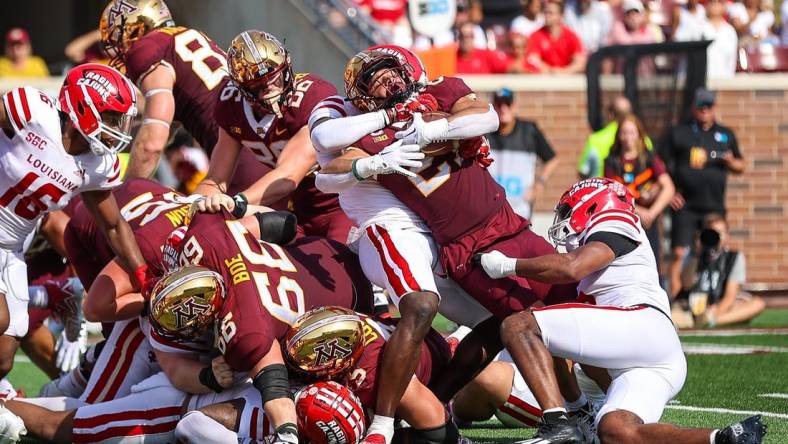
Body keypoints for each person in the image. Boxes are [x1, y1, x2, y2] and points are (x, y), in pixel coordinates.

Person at [314, 48, 578, 444]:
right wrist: (375, 162)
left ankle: (583, 406)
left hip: (507, 221)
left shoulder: (440, 91)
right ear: (363, 97)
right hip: (463, 247)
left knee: (573, 303)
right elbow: (327, 171)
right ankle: (559, 420)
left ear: (407, 69)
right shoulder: (369, 133)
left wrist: (434, 129)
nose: (386, 83)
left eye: (389, 73)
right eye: (374, 82)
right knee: (517, 321)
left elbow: (484, 116)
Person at [476, 178, 768, 444]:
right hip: (657, 356)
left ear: (592, 205)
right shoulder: (608, 238)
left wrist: (507, 265)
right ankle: (723, 438)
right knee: (616, 431)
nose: (563, 220)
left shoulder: (616, 220)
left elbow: (571, 267)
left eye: (567, 210)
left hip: (640, 324)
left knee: (519, 326)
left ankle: (559, 425)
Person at [0, 63, 150, 393]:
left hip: (12, 248)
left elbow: (113, 224)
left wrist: (143, 275)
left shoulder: (97, 165)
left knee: (4, 358)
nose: (116, 128)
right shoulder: (32, 112)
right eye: (111, 117)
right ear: (82, 105)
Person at [192, 30, 354, 243]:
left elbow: (288, 176)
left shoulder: (313, 95)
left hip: (344, 202)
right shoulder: (231, 107)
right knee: (228, 239)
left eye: (273, 77)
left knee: (344, 262)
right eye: (258, 84)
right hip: (298, 208)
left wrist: (236, 202)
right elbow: (215, 180)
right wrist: (194, 206)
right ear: (240, 86)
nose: (269, 86)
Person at [99, 0, 256, 187]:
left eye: (119, 38)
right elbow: (166, 125)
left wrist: (124, 193)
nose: (120, 49)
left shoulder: (146, 48)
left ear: (135, 29)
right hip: (261, 143)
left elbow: (151, 146)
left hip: (236, 158)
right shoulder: (191, 34)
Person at [662, 88, 745, 298]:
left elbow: (741, 165)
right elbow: (659, 164)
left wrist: (730, 161)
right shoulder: (680, 132)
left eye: (709, 106)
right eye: (701, 106)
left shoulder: (725, 134)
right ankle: (675, 301)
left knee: (713, 251)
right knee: (680, 253)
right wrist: (670, 192)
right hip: (686, 206)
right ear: (694, 108)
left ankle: (708, 298)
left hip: (713, 207)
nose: (705, 110)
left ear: (715, 108)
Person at [604, 114, 675, 265]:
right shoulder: (611, 161)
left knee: (651, 263)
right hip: (624, 221)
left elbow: (668, 187)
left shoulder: (649, 158)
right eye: (624, 132)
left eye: (631, 132)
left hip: (649, 223)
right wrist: (639, 211)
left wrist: (652, 213)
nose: (627, 137)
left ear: (639, 135)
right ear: (618, 136)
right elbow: (609, 194)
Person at [678, 214, 766, 328]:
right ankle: (710, 320)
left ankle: (711, 321)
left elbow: (730, 296)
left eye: (720, 233)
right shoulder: (692, 254)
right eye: (712, 232)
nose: (716, 237)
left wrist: (715, 312)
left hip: (718, 307)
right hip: (692, 305)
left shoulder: (734, 257)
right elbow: (686, 284)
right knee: (675, 312)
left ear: (727, 236)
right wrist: (696, 254)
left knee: (757, 304)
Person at [488, 88, 560, 218]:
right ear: (493, 107)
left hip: (520, 211)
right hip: (491, 210)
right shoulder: (485, 132)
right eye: (499, 105)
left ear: (514, 106)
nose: (503, 109)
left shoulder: (529, 131)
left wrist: (539, 183)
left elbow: (552, 159)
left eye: (507, 104)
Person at [577, 95, 653, 179]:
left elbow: (583, 170)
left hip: (601, 189)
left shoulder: (596, 139)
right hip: (635, 189)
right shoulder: (643, 138)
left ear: (611, 114)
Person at [524, 0, 587, 74]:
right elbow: (533, 60)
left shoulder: (571, 36)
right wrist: (551, 71)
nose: (547, 15)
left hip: (567, 79)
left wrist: (564, 72)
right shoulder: (535, 36)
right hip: (544, 79)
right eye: (545, 12)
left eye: (550, 13)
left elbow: (580, 62)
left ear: (560, 16)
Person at [702, 0, 739, 79]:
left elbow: (732, 59)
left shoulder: (730, 31)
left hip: (725, 80)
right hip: (703, 80)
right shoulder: (699, 28)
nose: (715, 4)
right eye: (712, 2)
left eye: (719, 2)